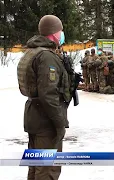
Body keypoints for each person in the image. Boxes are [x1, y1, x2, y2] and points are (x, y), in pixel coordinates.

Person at [17, 15, 70, 180]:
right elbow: (48, 94)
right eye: (60, 31)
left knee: (35, 166)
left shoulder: (32, 51)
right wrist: (60, 122)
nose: (62, 34)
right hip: (45, 120)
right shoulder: (47, 56)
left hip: (34, 115)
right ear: (54, 33)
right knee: (47, 169)